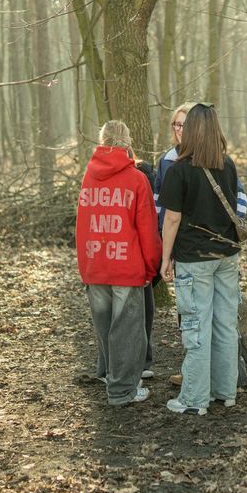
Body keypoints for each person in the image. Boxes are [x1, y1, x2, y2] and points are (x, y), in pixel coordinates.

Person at [158, 104, 242, 415]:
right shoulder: (228, 165)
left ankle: (194, 398)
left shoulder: (179, 170)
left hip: (194, 259)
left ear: (190, 131)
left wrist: (165, 258)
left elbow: (171, 220)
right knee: (224, 325)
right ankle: (225, 391)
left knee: (196, 327)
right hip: (227, 256)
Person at [76, 121, 162, 406]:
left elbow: (81, 227)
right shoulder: (137, 179)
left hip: (95, 264)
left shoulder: (89, 176)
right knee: (126, 331)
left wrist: (84, 265)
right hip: (126, 268)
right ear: (127, 142)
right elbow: (148, 230)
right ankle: (122, 390)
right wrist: (151, 267)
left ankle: (112, 376)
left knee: (105, 328)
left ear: (102, 142)